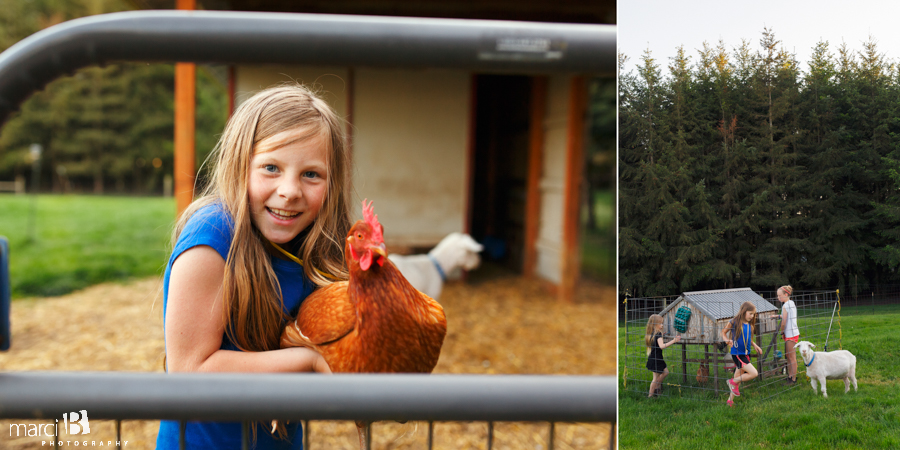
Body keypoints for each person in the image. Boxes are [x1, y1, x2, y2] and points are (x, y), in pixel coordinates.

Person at [156, 85, 353, 449]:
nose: (290, 190)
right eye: (271, 168)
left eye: (312, 174)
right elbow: (189, 370)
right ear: (239, 165)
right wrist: (307, 362)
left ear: (333, 183)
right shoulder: (213, 236)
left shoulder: (315, 245)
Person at [721, 301, 762, 407]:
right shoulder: (734, 322)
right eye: (750, 314)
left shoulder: (750, 325)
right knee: (754, 373)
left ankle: (730, 401)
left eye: (753, 314)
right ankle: (732, 381)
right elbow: (723, 332)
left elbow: (748, 339)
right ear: (744, 311)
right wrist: (727, 341)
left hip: (745, 354)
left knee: (738, 378)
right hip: (738, 354)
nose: (752, 316)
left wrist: (755, 345)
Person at [645, 314, 681, 398]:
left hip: (653, 358)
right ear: (654, 324)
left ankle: (656, 389)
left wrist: (662, 336)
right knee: (657, 377)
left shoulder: (651, 333)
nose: (662, 325)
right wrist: (673, 341)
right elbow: (661, 346)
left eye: (662, 323)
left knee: (665, 373)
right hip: (656, 359)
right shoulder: (658, 334)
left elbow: (656, 344)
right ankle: (650, 395)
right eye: (660, 323)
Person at [778, 285, 799, 385]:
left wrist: (782, 332)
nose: (778, 298)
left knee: (791, 357)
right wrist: (777, 315)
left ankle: (793, 379)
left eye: (780, 295)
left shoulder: (785, 305)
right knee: (789, 356)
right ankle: (790, 376)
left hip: (790, 333)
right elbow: (786, 315)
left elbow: (784, 321)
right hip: (793, 332)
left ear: (786, 294)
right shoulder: (791, 303)